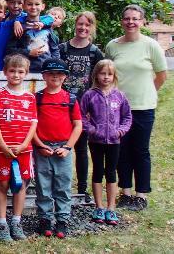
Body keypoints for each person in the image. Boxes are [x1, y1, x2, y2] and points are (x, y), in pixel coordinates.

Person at [105, 4, 167, 211]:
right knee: (121, 150)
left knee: (140, 150)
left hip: (143, 107)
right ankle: (126, 193)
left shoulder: (151, 45)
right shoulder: (112, 46)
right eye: (127, 18)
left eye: (135, 18)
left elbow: (161, 75)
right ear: (122, 21)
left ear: (142, 22)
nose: (131, 22)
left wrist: (149, 93)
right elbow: (108, 75)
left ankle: (141, 195)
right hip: (117, 108)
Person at [32, 59, 83, 239]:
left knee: (62, 185)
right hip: (42, 148)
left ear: (65, 77)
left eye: (59, 74)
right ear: (44, 76)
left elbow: (78, 125)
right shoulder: (37, 99)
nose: (55, 76)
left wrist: (68, 147)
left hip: (64, 148)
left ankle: (62, 220)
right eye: (51, 73)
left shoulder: (70, 99)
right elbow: (31, 126)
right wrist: (39, 145)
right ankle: (45, 219)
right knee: (43, 185)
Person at [0, 54, 38, 242]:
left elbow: (33, 123)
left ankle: (16, 222)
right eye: (12, 71)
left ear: (26, 73)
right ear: (5, 72)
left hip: (23, 150)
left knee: (21, 185)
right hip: (3, 150)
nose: (16, 75)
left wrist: (25, 144)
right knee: (2, 185)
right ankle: (2, 223)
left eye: (20, 71)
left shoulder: (30, 97)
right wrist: (2, 143)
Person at [59, 11, 104, 203]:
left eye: (87, 25)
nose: (83, 28)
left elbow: (101, 79)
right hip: (63, 104)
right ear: (75, 25)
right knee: (61, 144)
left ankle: (83, 188)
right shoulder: (63, 48)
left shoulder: (95, 52)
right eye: (80, 24)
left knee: (81, 148)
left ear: (91, 28)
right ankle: (61, 185)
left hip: (84, 107)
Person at [81, 59, 132, 226]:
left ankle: (111, 208)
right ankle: (99, 207)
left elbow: (127, 117)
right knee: (97, 171)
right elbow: (81, 116)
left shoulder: (120, 96)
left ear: (114, 76)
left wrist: (120, 131)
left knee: (111, 173)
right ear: (96, 74)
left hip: (114, 141)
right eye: (103, 73)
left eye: (110, 74)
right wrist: (92, 130)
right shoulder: (90, 95)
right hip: (96, 141)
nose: (106, 77)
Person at [6, 0, 59, 73]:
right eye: (30, 4)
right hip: (26, 72)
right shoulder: (20, 27)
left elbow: (55, 49)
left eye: (37, 4)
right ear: (24, 6)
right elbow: (10, 50)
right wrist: (28, 52)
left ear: (43, 6)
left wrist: (54, 66)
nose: (33, 7)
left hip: (47, 71)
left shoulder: (47, 27)